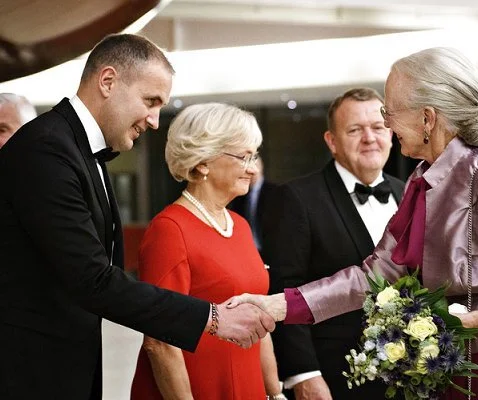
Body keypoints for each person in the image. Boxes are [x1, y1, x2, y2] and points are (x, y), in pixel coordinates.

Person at [230, 47, 478, 400]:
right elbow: (374, 275)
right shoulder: (422, 181)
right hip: (460, 366)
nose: (386, 124)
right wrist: (279, 305)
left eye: (390, 111)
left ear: (427, 118)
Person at [0, 33, 274, 400]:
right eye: (150, 101)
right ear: (108, 81)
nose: (156, 120)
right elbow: (94, 280)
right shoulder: (47, 149)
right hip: (30, 373)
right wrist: (212, 318)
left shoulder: (77, 150)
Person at [131, 103, 286, 400]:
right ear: (202, 161)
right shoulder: (169, 230)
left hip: (247, 385)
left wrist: (274, 391)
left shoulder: (239, 225)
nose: (253, 168)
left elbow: (259, 318)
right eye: (244, 157)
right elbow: (159, 342)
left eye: (254, 156)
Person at [262, 87, 405, 399]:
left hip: (409, 374)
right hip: (334, 375)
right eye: (355, 130)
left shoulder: (407, 193)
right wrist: (304, 374)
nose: (370, 138)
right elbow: (286, 289)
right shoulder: (297, 198)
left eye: (378, 128)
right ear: (332, 141)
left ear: (391, 134)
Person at [228, 157, 276, 252]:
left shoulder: (274, 191)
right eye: (247, 167)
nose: (251, 171)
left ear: (261, 167)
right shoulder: (239, 195)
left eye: (255, 165)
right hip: (247, 248)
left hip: (269, 248)